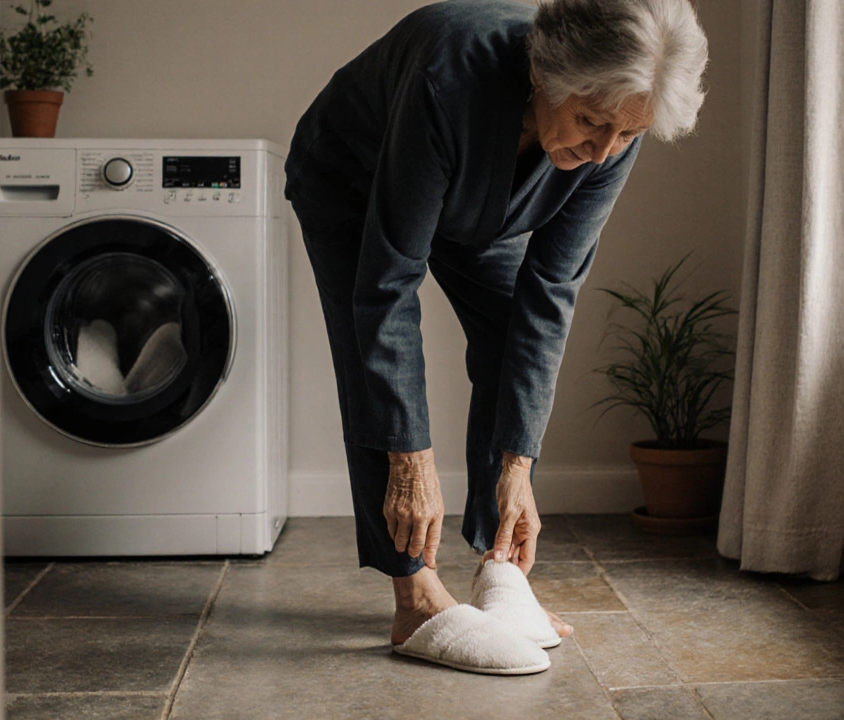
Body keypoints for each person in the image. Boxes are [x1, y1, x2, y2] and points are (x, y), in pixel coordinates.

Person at [284, 0, 708, 670]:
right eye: (592, 123)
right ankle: (414, 594)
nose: (603, 152)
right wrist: (411, 461)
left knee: (513, 328)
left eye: (627, 135)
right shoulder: (449, 79)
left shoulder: (617, 129)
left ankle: (498, 562)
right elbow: (386, 290)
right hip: (354, 177)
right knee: (373, 354)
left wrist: (517, 466)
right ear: (547, 77)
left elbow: (550, 291)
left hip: (479, 203)